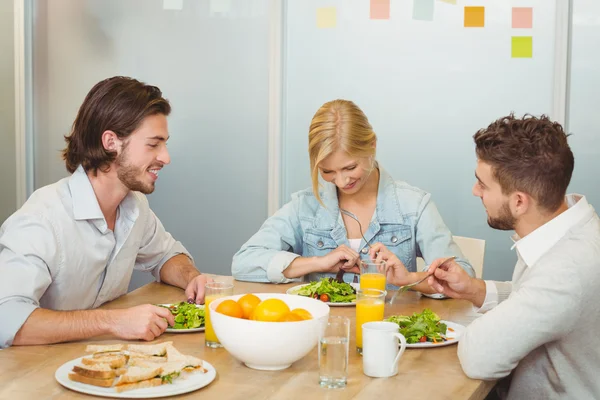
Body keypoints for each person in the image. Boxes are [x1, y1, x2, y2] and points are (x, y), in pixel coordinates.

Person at [0, 76, 208, 348]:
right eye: (153, 144)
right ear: (111, 141)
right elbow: (6, 318)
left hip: (99, 362)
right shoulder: (42, 218)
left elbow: (166, 256)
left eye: (165, 143)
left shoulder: (134, 207)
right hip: (34, 379)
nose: (166, 157)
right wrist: (112, 321)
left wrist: (192, 277)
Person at [419, 114, 600, 399]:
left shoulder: (567, 269)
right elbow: (540, 302)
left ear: (518, 201)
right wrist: (476, 290)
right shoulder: (569, 226)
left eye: (483, 184)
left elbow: (479, 356)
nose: (475, 191)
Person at [232, 99, 473, 286]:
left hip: (394, 338)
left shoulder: (413, 205)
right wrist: (318, 263)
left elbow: (463, 275)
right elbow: (244, 262)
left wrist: (408, 279)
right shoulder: (304, 207)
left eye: (350, 167)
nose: (341, 181)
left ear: (372, 146)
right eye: (327, 172)